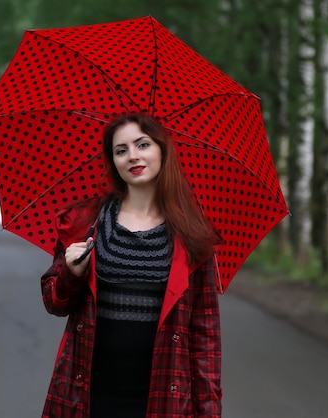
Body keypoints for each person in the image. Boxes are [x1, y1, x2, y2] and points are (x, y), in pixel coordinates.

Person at [40, 113, 224, 418]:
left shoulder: (192, 235)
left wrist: (209, 411)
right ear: (113, 161)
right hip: (87, 391)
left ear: (162, 150)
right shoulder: (87, 223)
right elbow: (54, 302)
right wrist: (70, 275)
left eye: (143, 144)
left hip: (163, 396)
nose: (132, 156)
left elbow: (205, 337)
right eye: (121, 150)